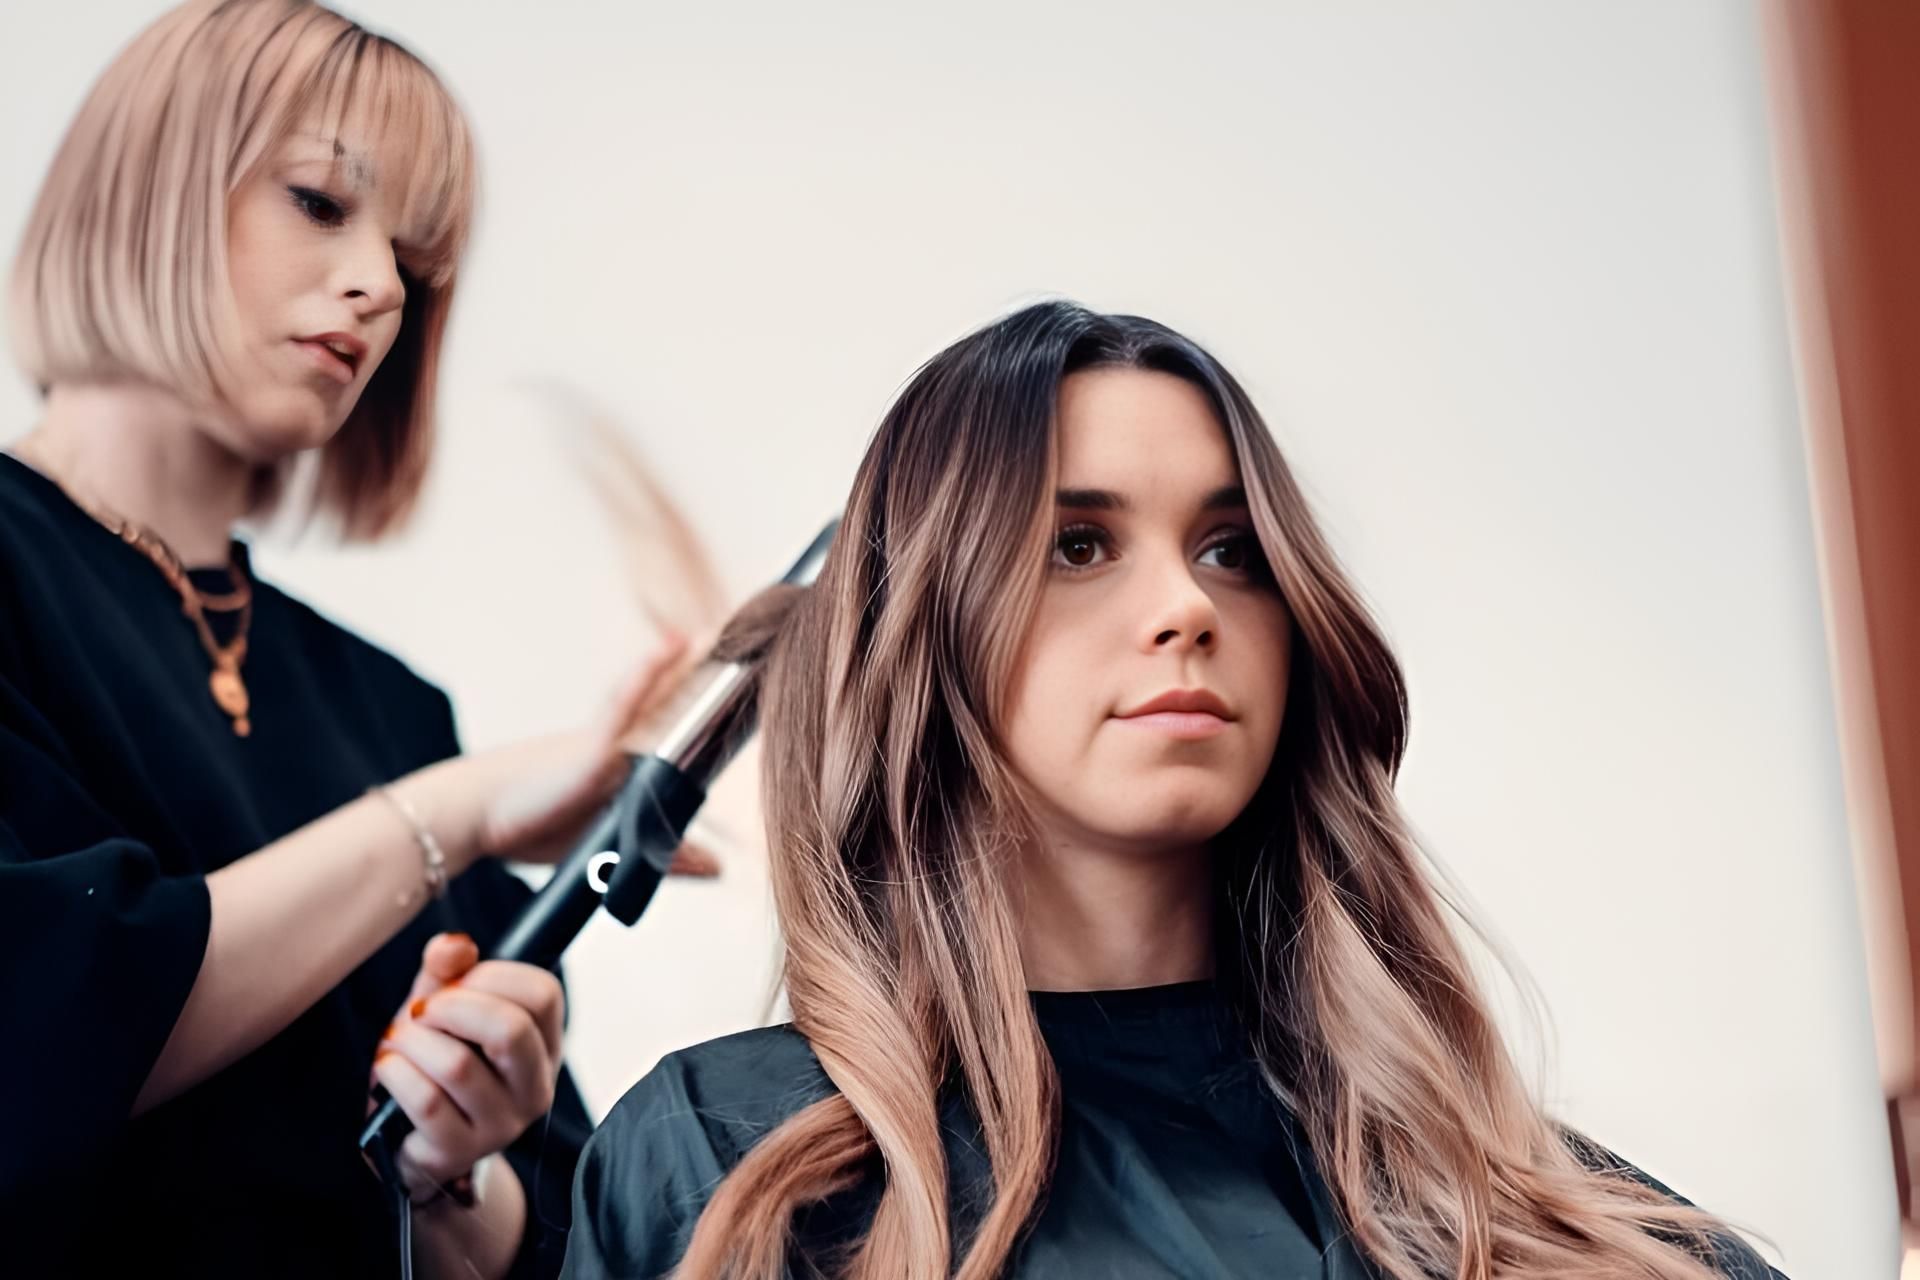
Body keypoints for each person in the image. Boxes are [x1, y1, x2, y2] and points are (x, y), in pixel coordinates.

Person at [563, 301, 1785, 1279]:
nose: (1189, 609)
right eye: (1078, 544)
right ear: (931, 629)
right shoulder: (730, 1162)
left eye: (1231, 550)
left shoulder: (1552, 1224)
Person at [0, 3, 707, 1275]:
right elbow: (38, 1017)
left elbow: (546, 1241)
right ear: (150, 181)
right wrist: (459, 810)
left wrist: (450, 1175)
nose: (380, 287)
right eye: (323, 201)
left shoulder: (387, 705)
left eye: (414, 258)